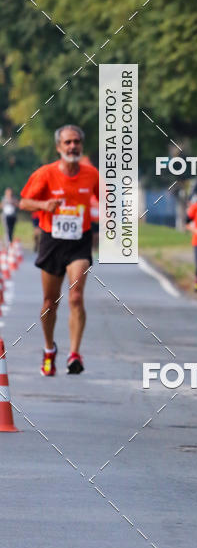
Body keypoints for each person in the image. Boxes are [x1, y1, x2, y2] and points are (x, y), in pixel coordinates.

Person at [19, 125, 99, 376]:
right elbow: (24, 202)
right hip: (52, 240)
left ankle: (74, 354)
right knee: (49, 303)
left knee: (76, 296)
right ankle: (49, 349)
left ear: (81, 146)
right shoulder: (45, 173)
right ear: (59, 147)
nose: (72, 146)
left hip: (79, 242)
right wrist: (44, 204)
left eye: (76, 142)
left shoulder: (91, 174)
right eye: (67, 142)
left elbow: (107, 200)